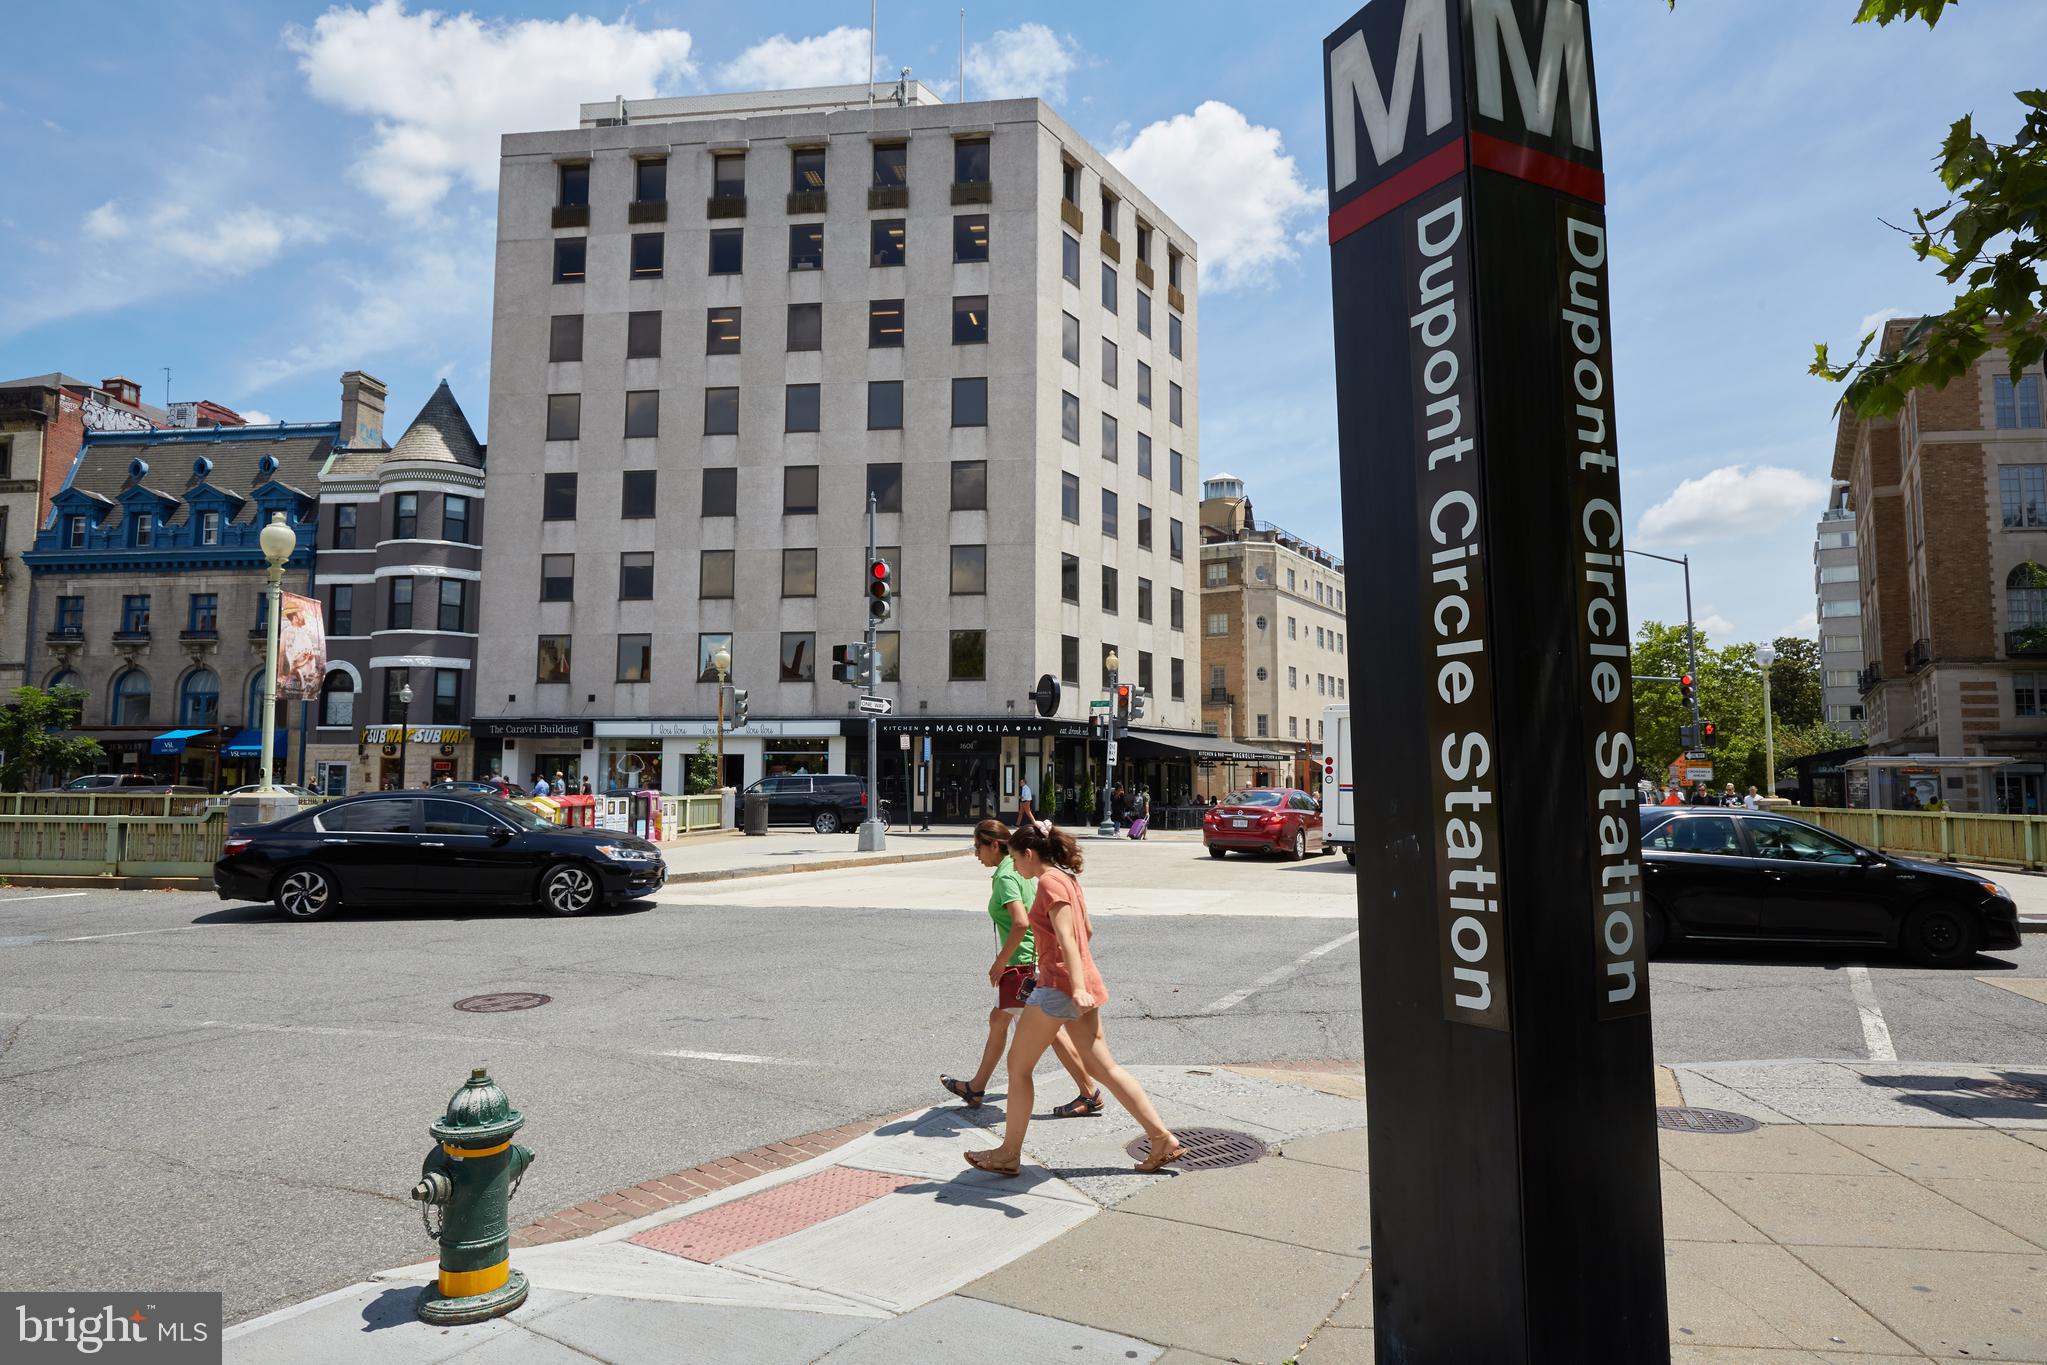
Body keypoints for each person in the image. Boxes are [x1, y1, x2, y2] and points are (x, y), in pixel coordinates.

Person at [966, 819, 1184, 1177]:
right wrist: (1078, 979)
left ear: (1029, 854)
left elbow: (1069, 937)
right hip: (1077, 983)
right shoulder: (1067, 878)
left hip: (1059, 989)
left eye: (1016, 858)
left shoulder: (1049, 883)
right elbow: (1087, 931)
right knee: (1104, 1068)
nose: (1016, 866)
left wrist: (1073, 984)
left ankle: (1008, 1154)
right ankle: (1161, 1138)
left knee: (1018, 1068)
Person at [941, 820, 1101, 1116]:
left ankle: (1088, 1090)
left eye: (978, 847)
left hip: (1021, 963)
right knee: (999, 1020)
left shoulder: (1007, 876)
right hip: (1032, 960)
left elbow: (1021, 922)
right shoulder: (1023, 869)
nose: (976, 854)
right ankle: (976, 1086)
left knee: (1048, 1032)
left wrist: (1000, 962)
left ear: (994, 845)